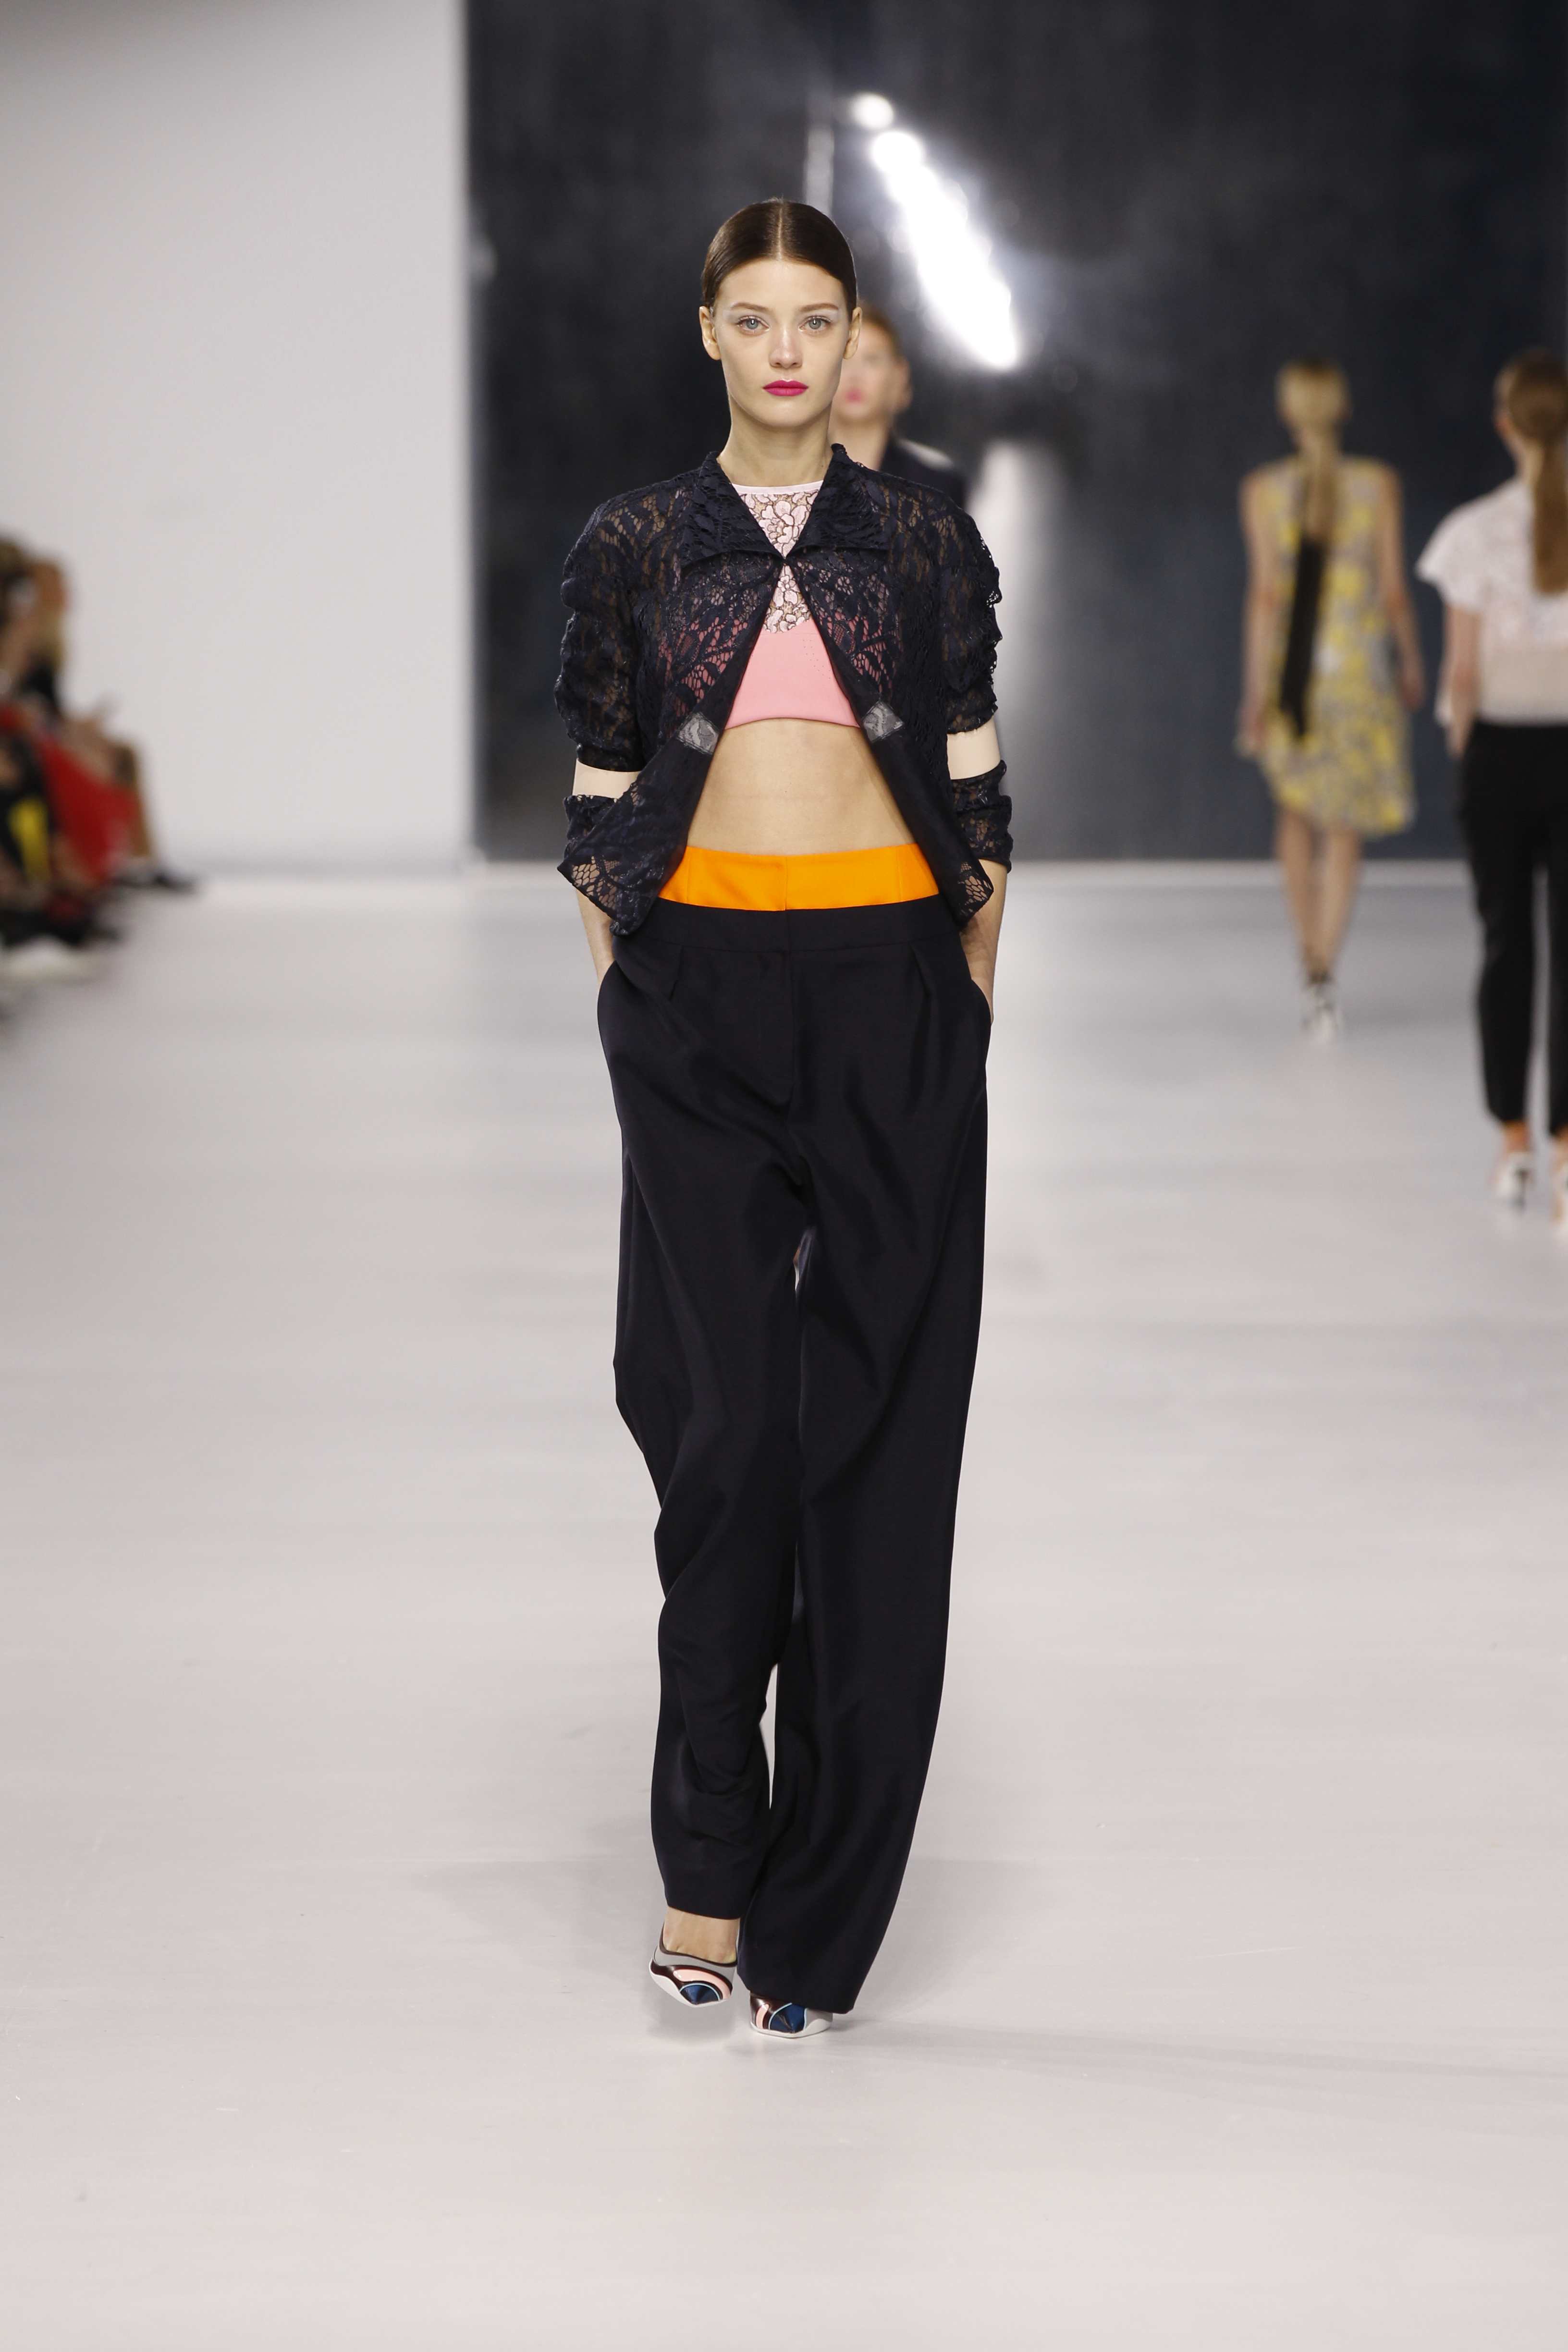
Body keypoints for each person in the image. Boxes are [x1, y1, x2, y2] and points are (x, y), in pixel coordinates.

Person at [556, 199, 1009, 2038]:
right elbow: (599, 804)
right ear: (707, 333)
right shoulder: (635, 542)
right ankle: (705, 1863)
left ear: (850, 336)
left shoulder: (923, 542)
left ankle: (817, 1916)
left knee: (877, 1444)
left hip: (893, 988)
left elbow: (978, 802)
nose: (785, 351)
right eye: (752, 318)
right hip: (699, 1002)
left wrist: (965, 1016)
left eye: (813, 318)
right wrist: (632, 1001)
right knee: (726, 1430)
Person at [1418, 350, 1568, 1225]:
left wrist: (1464, 756)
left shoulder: (1472, 532)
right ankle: (1567, 1152)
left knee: (1507, 946)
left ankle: (1513, 1144)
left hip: (1500, 758)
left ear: (1505, 424)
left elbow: (1463, 674)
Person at [1238, 359, 1424, 1037]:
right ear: (1342, 410)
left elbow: (1265, 597)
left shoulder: (1263, 490)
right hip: (1358, 675)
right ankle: (1324, 970)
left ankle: (1309, 960)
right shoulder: (1378, 486)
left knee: (1296, 813)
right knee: (1342, 826)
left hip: (1293, 677)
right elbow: (1393, 589)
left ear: (1289, 414)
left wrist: (1254, 693)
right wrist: (1411, 660)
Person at [829, 304, 968, 505]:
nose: (855, 375)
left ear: (899, 377)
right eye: (844, 359)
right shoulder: (789, 481)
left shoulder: (937, 487)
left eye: (872, 360)